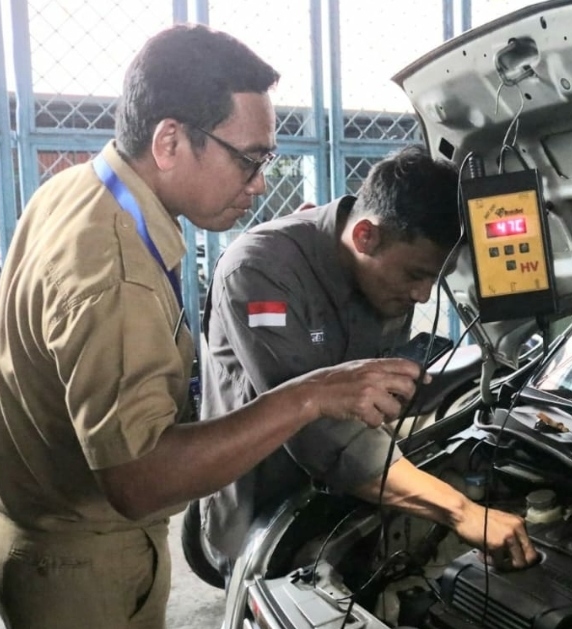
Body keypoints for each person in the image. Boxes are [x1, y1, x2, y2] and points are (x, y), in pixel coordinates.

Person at [0, 25, 425, 629]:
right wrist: (308, 396)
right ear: (169, 141)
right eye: (248, 159)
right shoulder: (116, 269)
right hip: (80, 562)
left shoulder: (80, 190)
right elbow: (139, 478)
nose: (260, 182)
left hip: (19, 510)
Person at [196, 145, 537, 581]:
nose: (423, 296)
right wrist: (461, 510)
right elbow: (314, 427)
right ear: (365, 236)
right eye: (416, 275)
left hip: (347, 498)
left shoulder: (383, 275)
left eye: (436, 278)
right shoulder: (260, 269)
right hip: (263, 513)